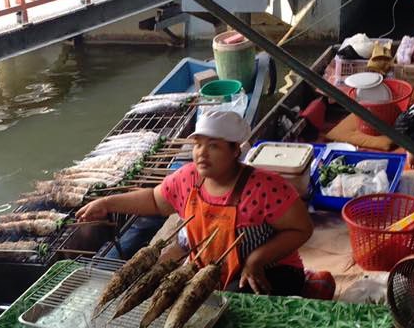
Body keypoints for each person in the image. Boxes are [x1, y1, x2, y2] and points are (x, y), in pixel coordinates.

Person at [76, 110, 313, 296]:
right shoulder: (188, 178)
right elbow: (155, 201)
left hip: (268, 270)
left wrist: (256, 259)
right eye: (198, 144)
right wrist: (107, 203)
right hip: (210, 271)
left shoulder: (265, 187)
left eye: (213, 146)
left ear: (235, 151)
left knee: (235, 308)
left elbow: (302, 229)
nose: (201, 153)